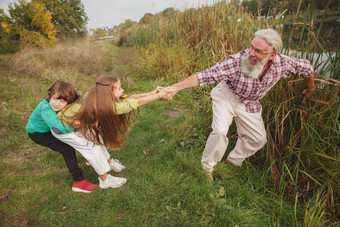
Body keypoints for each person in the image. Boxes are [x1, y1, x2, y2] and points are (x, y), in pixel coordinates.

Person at [166, 29, 315, 181]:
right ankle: (207, 168)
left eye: (258, 51)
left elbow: (306, 67)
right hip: (226, 96)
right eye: (251, 47)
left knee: (258, 139)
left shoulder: (283, 64)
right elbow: (205, 75)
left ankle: (233, 161)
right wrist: (174, 88)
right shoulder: (237, 61)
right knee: (220, 131)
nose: (251, 53)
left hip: (249, 104)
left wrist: (310, 88)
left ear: (272, 55)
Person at [51, 74, 175, 189]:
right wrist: (159, 95)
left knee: (97, 141)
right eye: (119, 88)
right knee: (92, 149)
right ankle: (105, 180)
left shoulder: (98, 93)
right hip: (63, 130)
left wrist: (151, 93)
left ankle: (108, 163)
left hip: (76, 125)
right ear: (108, 92)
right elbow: (133, 104)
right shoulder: (102, 105)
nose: (122, 91)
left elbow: (126, 98)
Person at [26, 80, 98, 193]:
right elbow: (59, 129)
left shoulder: (65, 105)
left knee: (75, 137)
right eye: (55, 99)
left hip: (48, 128)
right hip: (38, 133)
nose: (57, 104)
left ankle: (88, 157)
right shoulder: (46, 109)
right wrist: (76, 126)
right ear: (49, 94)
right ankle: (79, 182)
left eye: (63, 101)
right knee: (67, 149)